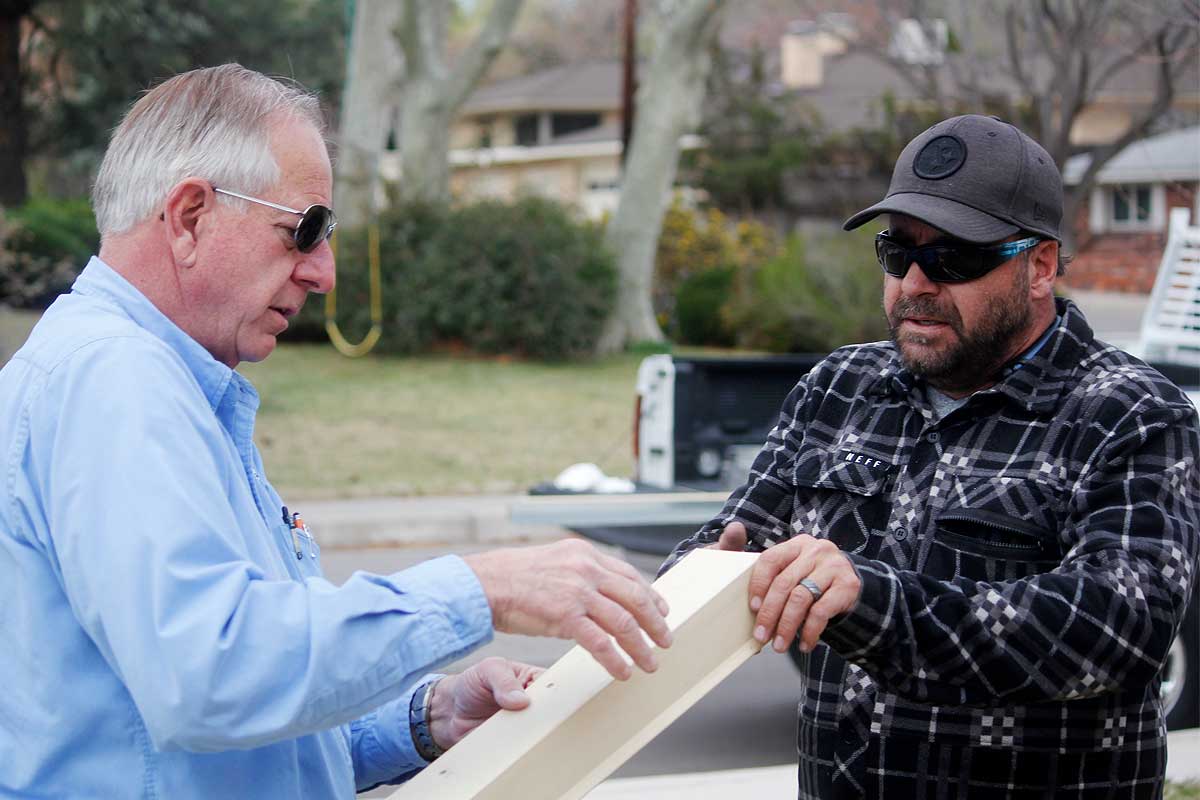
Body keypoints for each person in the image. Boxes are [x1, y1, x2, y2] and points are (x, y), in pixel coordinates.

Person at [0, 64, 673, 798]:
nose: (324, 271)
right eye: (305, 230)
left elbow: (250, 722)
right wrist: (483, 589)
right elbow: (211, 674)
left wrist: (427, 719)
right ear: (190, 215)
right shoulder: (115, 379)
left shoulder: (155, 379)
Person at [664, 114, 1200, 798]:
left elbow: (1119, 626)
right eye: (898, 253)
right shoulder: (839, 387)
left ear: (1039, 266)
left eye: (955, 258)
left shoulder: (1130, 412)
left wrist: (873, 599)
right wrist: (623, 632)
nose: (916, 281)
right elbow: (735, 544)